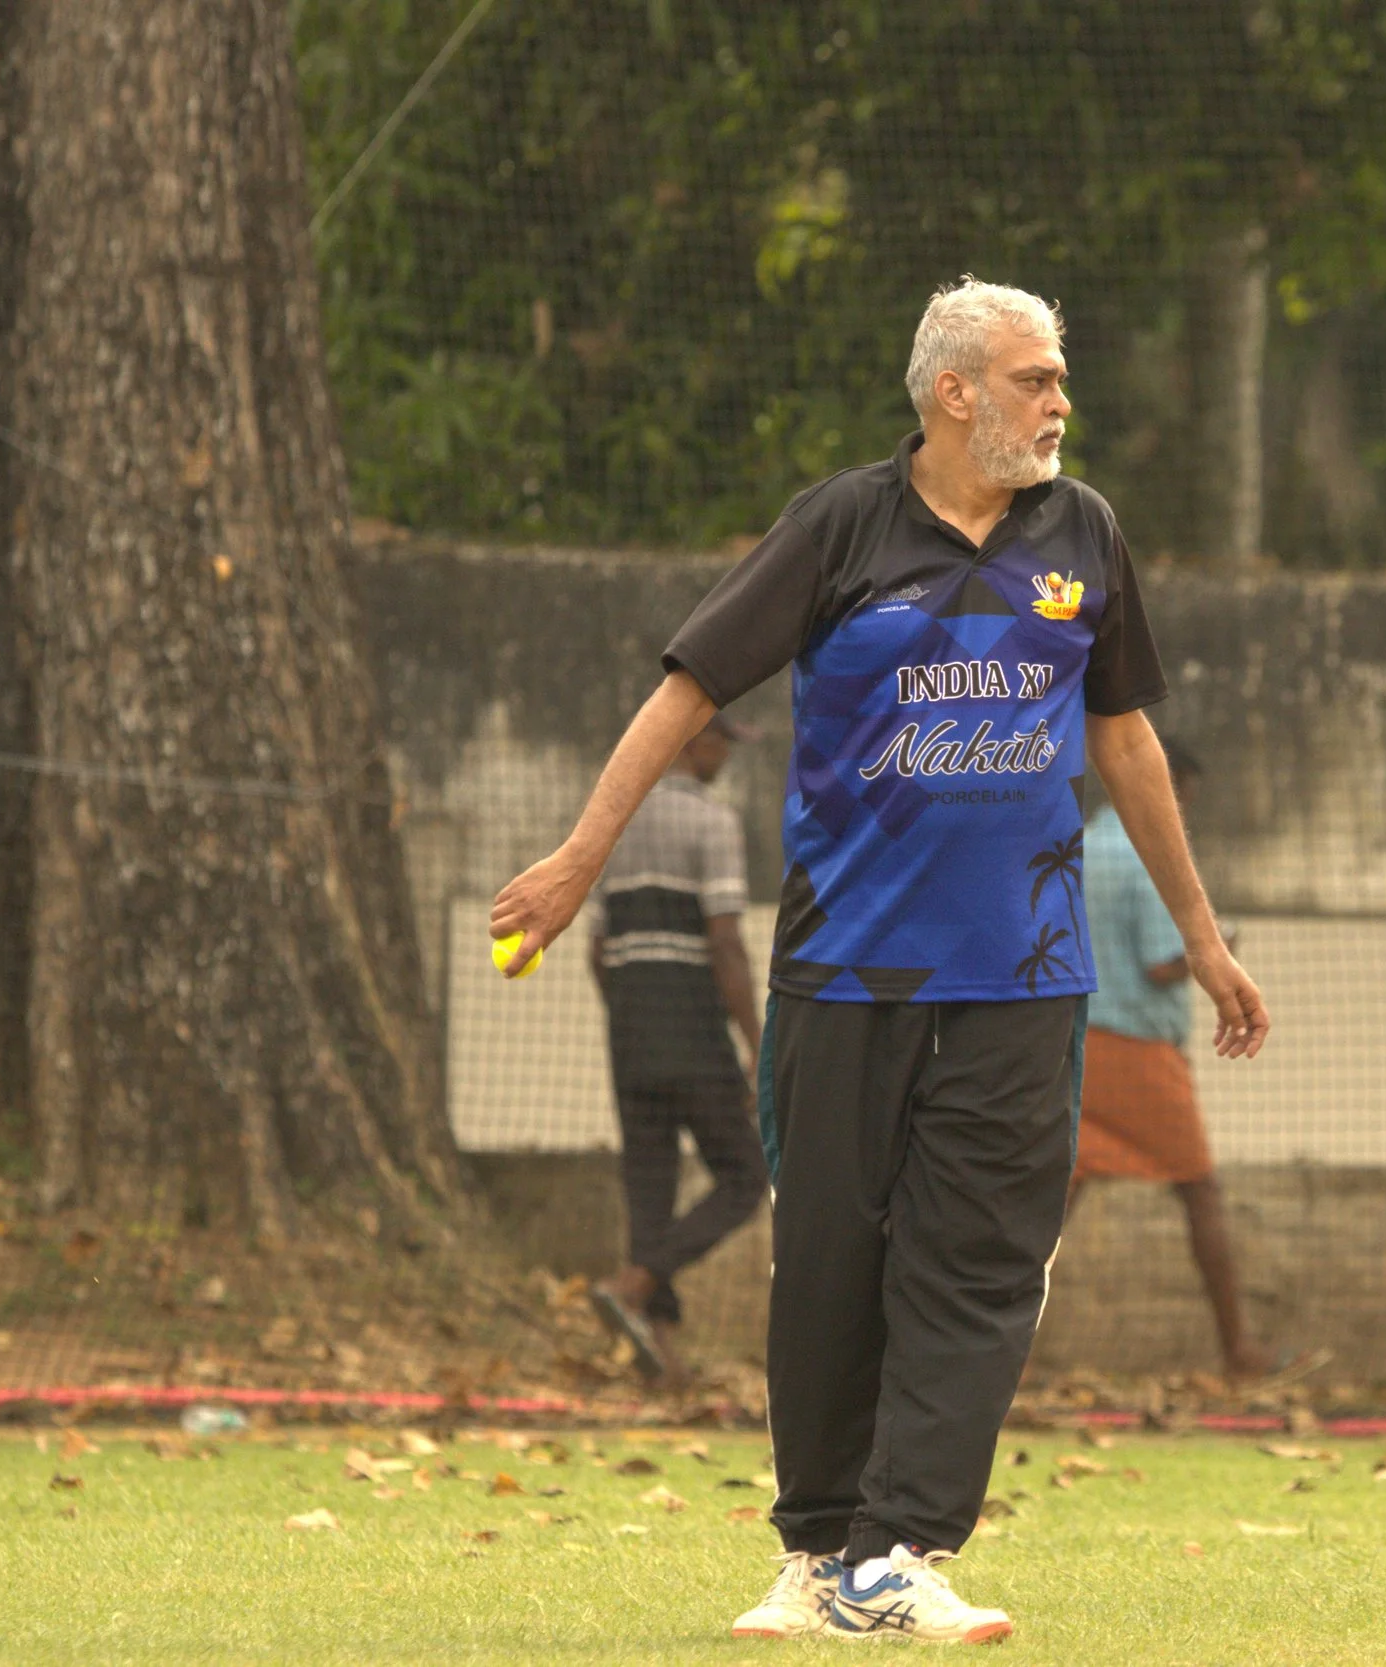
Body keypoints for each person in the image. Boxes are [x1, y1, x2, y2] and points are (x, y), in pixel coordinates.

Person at [489, 276, 1270, 1647]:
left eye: (1059, 376)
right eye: (1035, 377)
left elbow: (1128, 740)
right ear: (953, 391)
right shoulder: (838, 526)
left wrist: (1203, 938)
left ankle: (903, 1547)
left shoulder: (1082, 532)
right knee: (834, 1259)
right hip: (842, 970)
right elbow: (686, 692)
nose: (1059, 401)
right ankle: (816, 1551)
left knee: (978, 1263)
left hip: (1026, 979)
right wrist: (576, 859)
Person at [1071, 738, 1275, 1380]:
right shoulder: (1147, 853)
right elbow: (1164, 964)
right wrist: (1225, 942)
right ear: (1174, 785)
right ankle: (1240, 1351)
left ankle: (990, 1355)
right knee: (1199, 1189)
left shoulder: (1079, 843)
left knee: (1051, 1199)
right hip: (1135, 1046)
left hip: (1074, 1041)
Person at [583, 710, 768, 1390]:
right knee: (745, 1176)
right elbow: (724, 941)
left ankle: (660, 1358)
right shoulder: (712, 823)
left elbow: (598, 952)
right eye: (723, 739)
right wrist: (757, 1039)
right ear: (693, 739)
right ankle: (633, 1284)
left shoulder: (617, 816)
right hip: (693, 1031)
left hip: (630, 1035)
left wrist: (633, 1013)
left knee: (650, 1190)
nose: (727, 754)